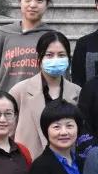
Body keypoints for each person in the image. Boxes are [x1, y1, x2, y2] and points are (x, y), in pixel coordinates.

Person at [10, 30, 81, 159]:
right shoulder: (19, 91)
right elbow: (8, 132)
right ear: (39, 58)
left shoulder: (77, 92)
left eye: (61, 55)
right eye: (49, 55)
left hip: (67, 164)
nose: (55, 59)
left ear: (68, 59)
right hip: (29, 163)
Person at [0, 0, 55, 94]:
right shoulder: (3, 34)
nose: (32, 5)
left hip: (41, 103)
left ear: (47, 4)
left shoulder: (53, 37)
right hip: (6, 103)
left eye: (39, 0)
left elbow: (61, 76)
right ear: (19, 1)